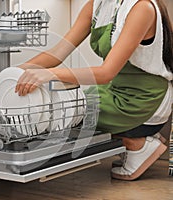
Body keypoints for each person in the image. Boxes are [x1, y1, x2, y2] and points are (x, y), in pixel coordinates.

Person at [9, 0, 172, 180]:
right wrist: (13, 74)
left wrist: (51, 74)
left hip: (144, 99)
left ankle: (136, 143)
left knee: (68, 115)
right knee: (70, 107)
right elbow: (58, 52)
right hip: (115, 89)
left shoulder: (142, 8)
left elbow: (106, 73)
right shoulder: (97, 5)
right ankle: (136, 139)